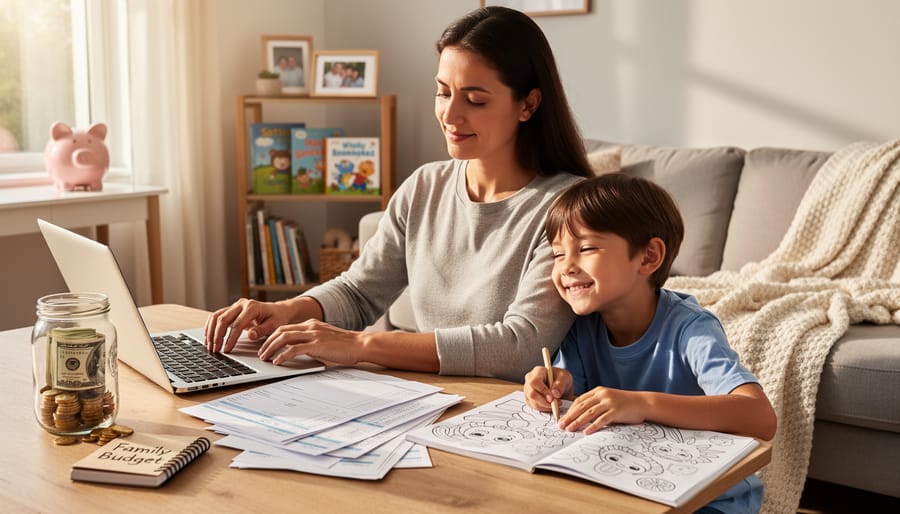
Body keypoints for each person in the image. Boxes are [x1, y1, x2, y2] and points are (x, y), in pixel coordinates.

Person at [205, 6, 593, 382]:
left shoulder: (568, 209)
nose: (450, 115)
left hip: (508, 415)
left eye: (475, 100)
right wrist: (286, 310)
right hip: (426, 399)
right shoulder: (425, 186)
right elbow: (359, 292)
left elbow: (519, 347)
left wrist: (363, 345)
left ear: (528, 103)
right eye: (443, 93)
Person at [523, 174, 777, 514]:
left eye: (585, 249)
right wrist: (557, 384)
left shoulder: (691, 328)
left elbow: (760, 417)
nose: (566, 266)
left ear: (648, 257)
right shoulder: (581, 326)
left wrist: (641, 404)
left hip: (711, 500)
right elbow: (576, 408)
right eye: (557, 254)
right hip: (632, 487)